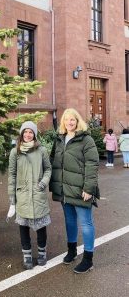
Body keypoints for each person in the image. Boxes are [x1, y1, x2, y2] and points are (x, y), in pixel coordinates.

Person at [50, 108, 100, 274]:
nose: (69, 122)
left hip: (81, 190)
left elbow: (92, 165)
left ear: (78, 121)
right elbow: (53, 162)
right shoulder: (59, 139)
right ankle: (72, 251)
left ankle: (88, 259)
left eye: (73, 120)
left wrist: (88, 188)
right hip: (65, 189)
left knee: (86, 223)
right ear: (63, 122)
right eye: (66, 120)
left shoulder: (86, 140)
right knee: (69, 221)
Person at [7, 121, 52, 269]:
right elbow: (12, 175)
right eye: (25, 132)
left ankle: (42, 253)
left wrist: (43, 183)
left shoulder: (42, 151)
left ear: (34, 134)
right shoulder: (15, 152)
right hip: (23, 196)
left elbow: (48, 169)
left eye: (30, 132)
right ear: (21, 134)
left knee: (41, 227)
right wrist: (12, 197)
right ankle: (27, 255)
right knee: (23, 227)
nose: (27, 135)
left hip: (38, 194)